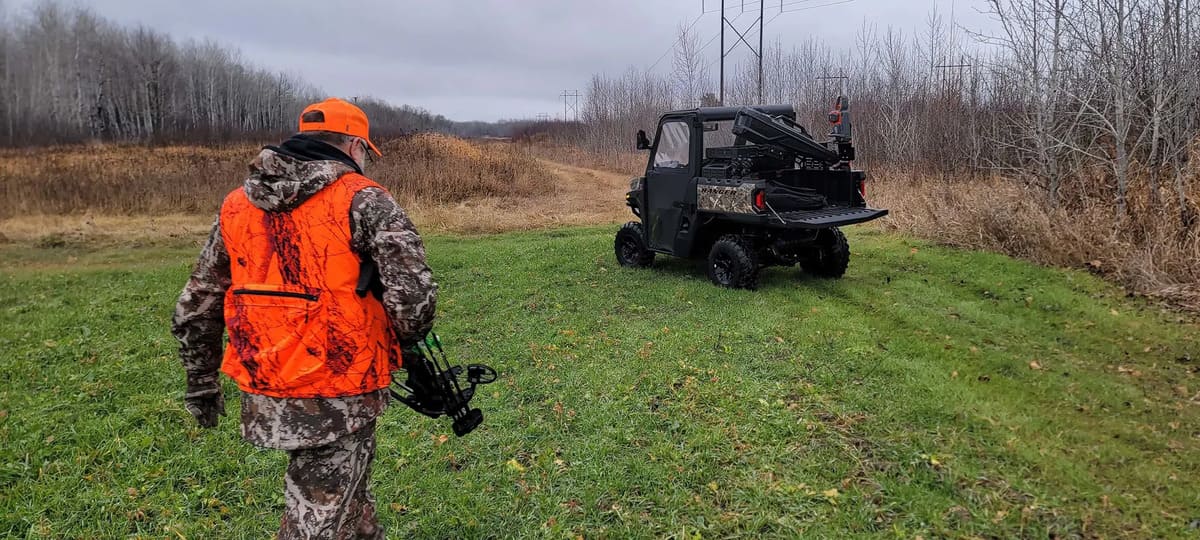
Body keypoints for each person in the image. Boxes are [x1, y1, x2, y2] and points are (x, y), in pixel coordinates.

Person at [171, 97, 437, 539]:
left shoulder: (237, 205)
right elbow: (414, 300)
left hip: (265, 383)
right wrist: (404, 340)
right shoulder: (365, 200)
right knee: (318, 512)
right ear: (354, 145)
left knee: (347, 494)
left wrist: (201, 380)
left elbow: (196, 302)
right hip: (340, 385)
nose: (365, 162)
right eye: (365, 153)